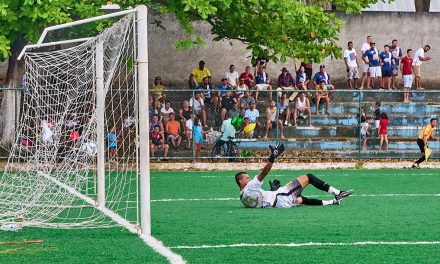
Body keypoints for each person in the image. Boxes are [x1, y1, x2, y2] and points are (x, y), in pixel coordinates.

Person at [236, 143, 353, 208]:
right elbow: (263, 173)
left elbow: (260, 199)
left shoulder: (242, 198)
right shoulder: (250, 186)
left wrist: (272, 191)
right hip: (281, 197)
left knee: (300, 199)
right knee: (309, 177)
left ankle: (333, 202)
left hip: (279, 204)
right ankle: (338, 193)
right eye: (247, 178)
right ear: (241, 181)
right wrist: (273, 157)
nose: (250, 179)